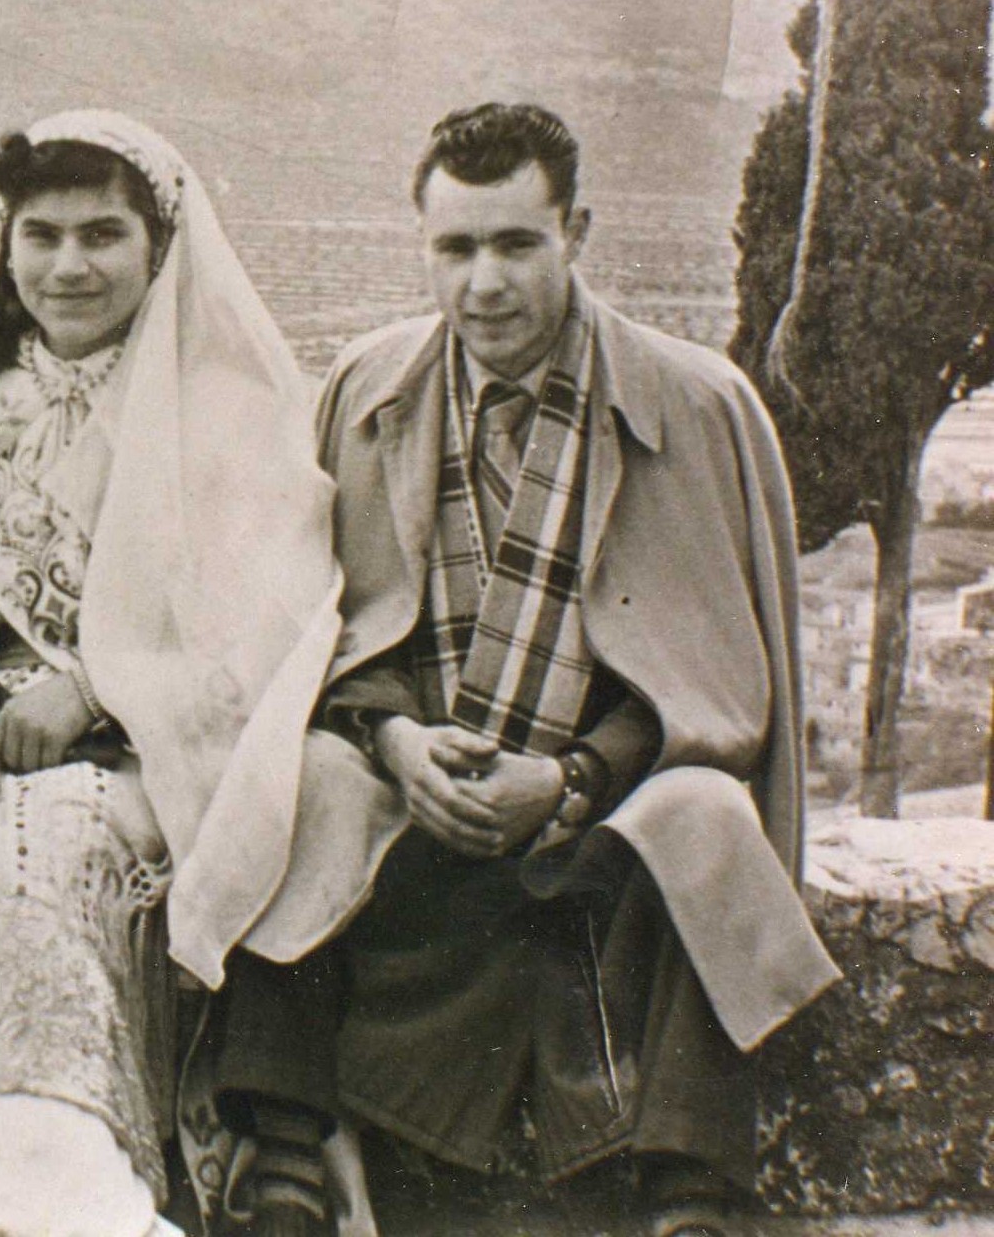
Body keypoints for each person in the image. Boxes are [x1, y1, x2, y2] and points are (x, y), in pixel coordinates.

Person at [199, 103, 840, 1237]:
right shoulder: (367, 391)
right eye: (454, 248)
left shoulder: (691, 403)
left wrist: (569, 779)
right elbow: (325, 629)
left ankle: (690, 1191)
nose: (483, 283)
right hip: (421, 813)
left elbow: (711, 683)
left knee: (703, 814)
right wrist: (395, 739)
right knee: (311, 780)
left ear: (574, 232)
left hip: (600, 826)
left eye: (515, 244)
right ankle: (284, 1151)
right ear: (422, 244)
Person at [0, 110, 347, 1237]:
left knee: (36, 871)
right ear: (3, 244)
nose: (68, 266)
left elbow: (273, 618)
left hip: (155, 744)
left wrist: (103, 687)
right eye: (40, 235)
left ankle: (49, 1211)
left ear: (158, 246)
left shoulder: (228, 401)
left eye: (102, 235)